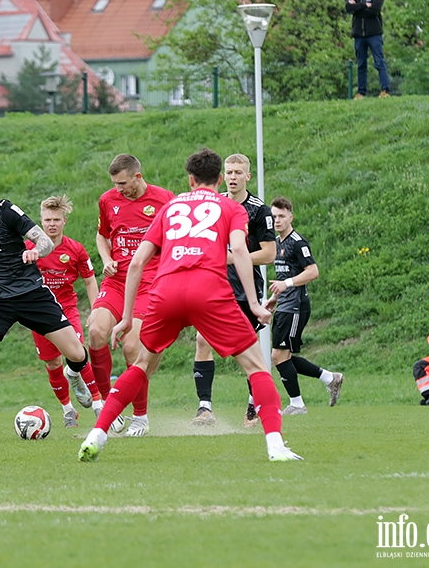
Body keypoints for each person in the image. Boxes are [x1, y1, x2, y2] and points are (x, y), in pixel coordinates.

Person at [78, 148, 302, 462]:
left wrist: (127, 317)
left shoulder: (171, 205)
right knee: (256, 366)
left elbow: (138, 261)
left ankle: (96, 435)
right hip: (208, 289)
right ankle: (276, 446)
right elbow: (239, 250)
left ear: (190, 179)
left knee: (142, 363)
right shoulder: (230, 206)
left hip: (166, 289)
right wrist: (254, 303)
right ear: (220, 179)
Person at [0, 186, 99, 426]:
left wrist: (36, 251)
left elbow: (45, 240)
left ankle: (73, 374)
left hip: (30, 295)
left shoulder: (5, 212)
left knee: (76, 354)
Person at [86, 154, 175, 437]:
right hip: (117, 281)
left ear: (138, 176)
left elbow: (175, 239)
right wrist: (106, 257)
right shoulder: (107, 200)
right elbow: (102, 235)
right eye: (114, 184)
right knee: (96, 331)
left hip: (150, 284)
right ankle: (104, 405)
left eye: (122, 183)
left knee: (131, 348)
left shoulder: (165, 200)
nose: (119, 189)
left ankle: (140, 417)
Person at [191, 154, 275, 428]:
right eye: (229, 171)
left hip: (243, 288)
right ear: (222, 175)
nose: (233, 176)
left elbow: (269, 254)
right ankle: (204, 408)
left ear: (248, 176)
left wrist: (234, 257)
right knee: (202, 340)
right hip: (212, 285)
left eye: (238, 172)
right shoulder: (214, 206)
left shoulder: (259, 210)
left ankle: (254, 406)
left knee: (247, 349)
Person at [26, 195, 103, 428]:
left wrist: (95, 309)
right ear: (40, 221)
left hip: (66, 309)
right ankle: (68, 410)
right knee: (52, 363)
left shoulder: (76, 250)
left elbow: (90, 281)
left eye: (56, 219)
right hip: (38, 312)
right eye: (47, 219)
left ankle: (99, 405)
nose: (51, 224)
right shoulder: (29, 248)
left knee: (78, 352)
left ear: (64, 221)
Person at [265, 196, 344, 414]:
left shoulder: (297, 242)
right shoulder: (278, 242)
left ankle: (298, 404)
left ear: (291, 216)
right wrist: (275, 297)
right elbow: (286, 275)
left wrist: (286, 284)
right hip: (285, 305)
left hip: (296, 306)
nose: (277, 220)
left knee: (278, 356)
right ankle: (330, 378)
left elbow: (313, 272)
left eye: (281, 216)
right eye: (274, 217)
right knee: (282, 356)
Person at [346, 0, 390, 98]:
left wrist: (357, 8)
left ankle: (385, 90)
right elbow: (348, 8)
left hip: (374, 34)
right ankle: (361, 92)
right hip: (359, 35)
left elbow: (374, 10)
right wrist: (364, 5)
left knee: (379, 62)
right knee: (361, 64)